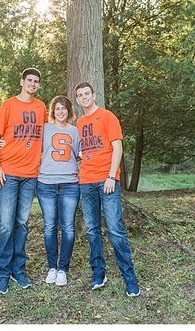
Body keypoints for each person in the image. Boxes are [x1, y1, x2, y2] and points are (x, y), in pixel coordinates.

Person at [75, 82, 140, 297]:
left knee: (114, 229)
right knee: (92, 229)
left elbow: (117, 146)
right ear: (77, 100)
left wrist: (112, 175)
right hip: (86, 182)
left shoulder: (107, 116)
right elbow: (79, 150)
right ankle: (98, 273)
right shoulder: (79, 123)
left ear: (94, 95)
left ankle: (129, 278)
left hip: (107, 181)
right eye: (80, 95)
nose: (84, 97)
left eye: (87, 93)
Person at [0, 67, 46, 294]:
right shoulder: (8, 105)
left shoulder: (41, 107)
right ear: (22, 81)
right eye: (29, 80)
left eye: (36, 81)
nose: (32, 84)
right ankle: (3, 272)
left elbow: (49, 133)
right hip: (9, 173)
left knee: (21, 224)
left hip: (31, 175)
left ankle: (18, 270)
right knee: (5, 224)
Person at [36, 95, 81, 287]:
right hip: (45, 183)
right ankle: (51, 268)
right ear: (52, 111)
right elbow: (29, 148)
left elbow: (80, 156)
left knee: (68, 227)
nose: (60, 112)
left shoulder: (75, 131)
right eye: (57, 108)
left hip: (70, 184)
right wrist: (2, 144)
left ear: (69, 110)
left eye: (64, 108)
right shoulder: (44, 129)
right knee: (49, 226)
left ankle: (63, 268)